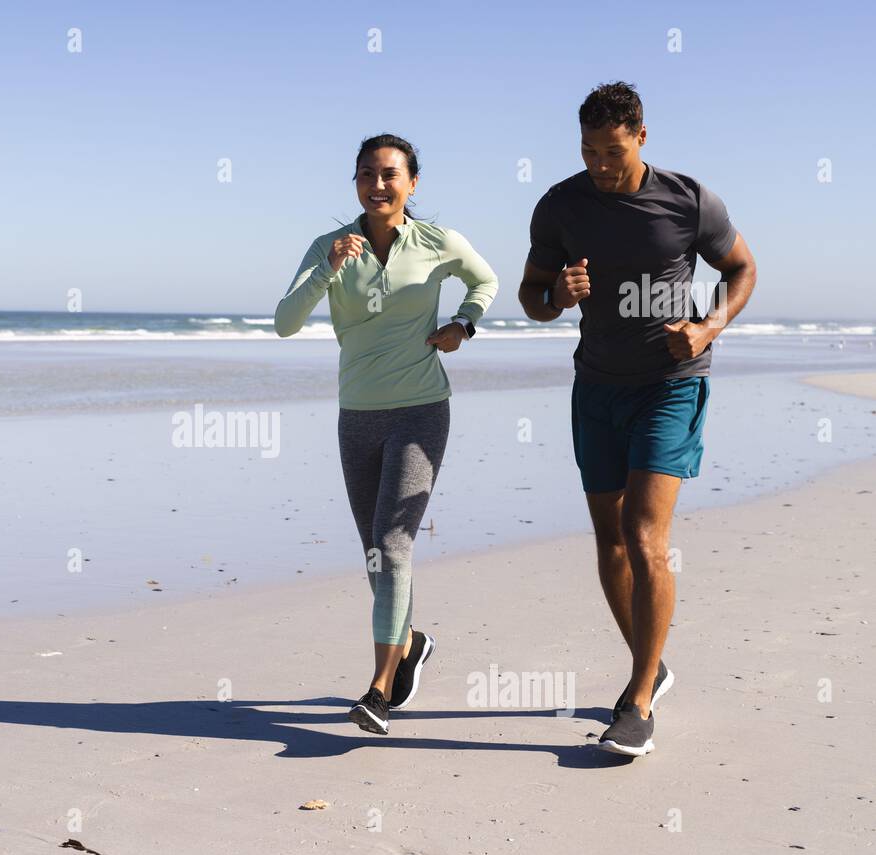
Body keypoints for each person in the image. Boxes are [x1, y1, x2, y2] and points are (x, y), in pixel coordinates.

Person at [517, 82, 757, 757]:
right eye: (589, 150)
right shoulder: (560, 205)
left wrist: (709, 326)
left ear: (642, 138)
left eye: (612, 151)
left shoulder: (688, 200)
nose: (600, 164)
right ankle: (652, 662)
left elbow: (741, 268)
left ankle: (639, 699)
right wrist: (555, 296)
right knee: (609, 541)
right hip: (596, 388)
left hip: (669, 385)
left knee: (643, 532)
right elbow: (530, 293)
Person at [274, 133, 499, 735]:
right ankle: (411, 643)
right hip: (358, 414)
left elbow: (485, 282)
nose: (378, 184)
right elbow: (285, 323)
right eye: (367, 174)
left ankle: (378, 690)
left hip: (422, 408)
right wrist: (329, 269)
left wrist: (463, 326)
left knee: (394, 543)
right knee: (376, 554)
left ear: (412, 183)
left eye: (391, 174)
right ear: (355, 184)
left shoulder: (437, 242)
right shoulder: (329, 248)